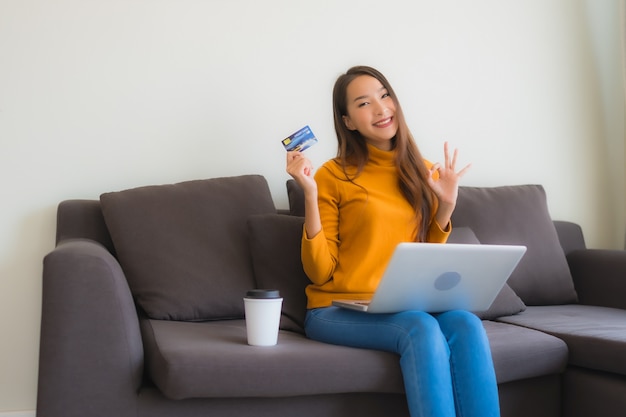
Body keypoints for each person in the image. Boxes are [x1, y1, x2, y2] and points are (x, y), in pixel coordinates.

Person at [286, 65, 500, 417]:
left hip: (404, 303)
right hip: (337, 308)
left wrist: (445, 207)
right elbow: (319, 273)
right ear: (349, 121)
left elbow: (426, 263)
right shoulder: (332, 175)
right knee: (420, 327)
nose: (381, 108)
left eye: (384, 95)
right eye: (364, 103)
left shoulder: (424, 172)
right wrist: (309, 195)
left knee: (466, 323)